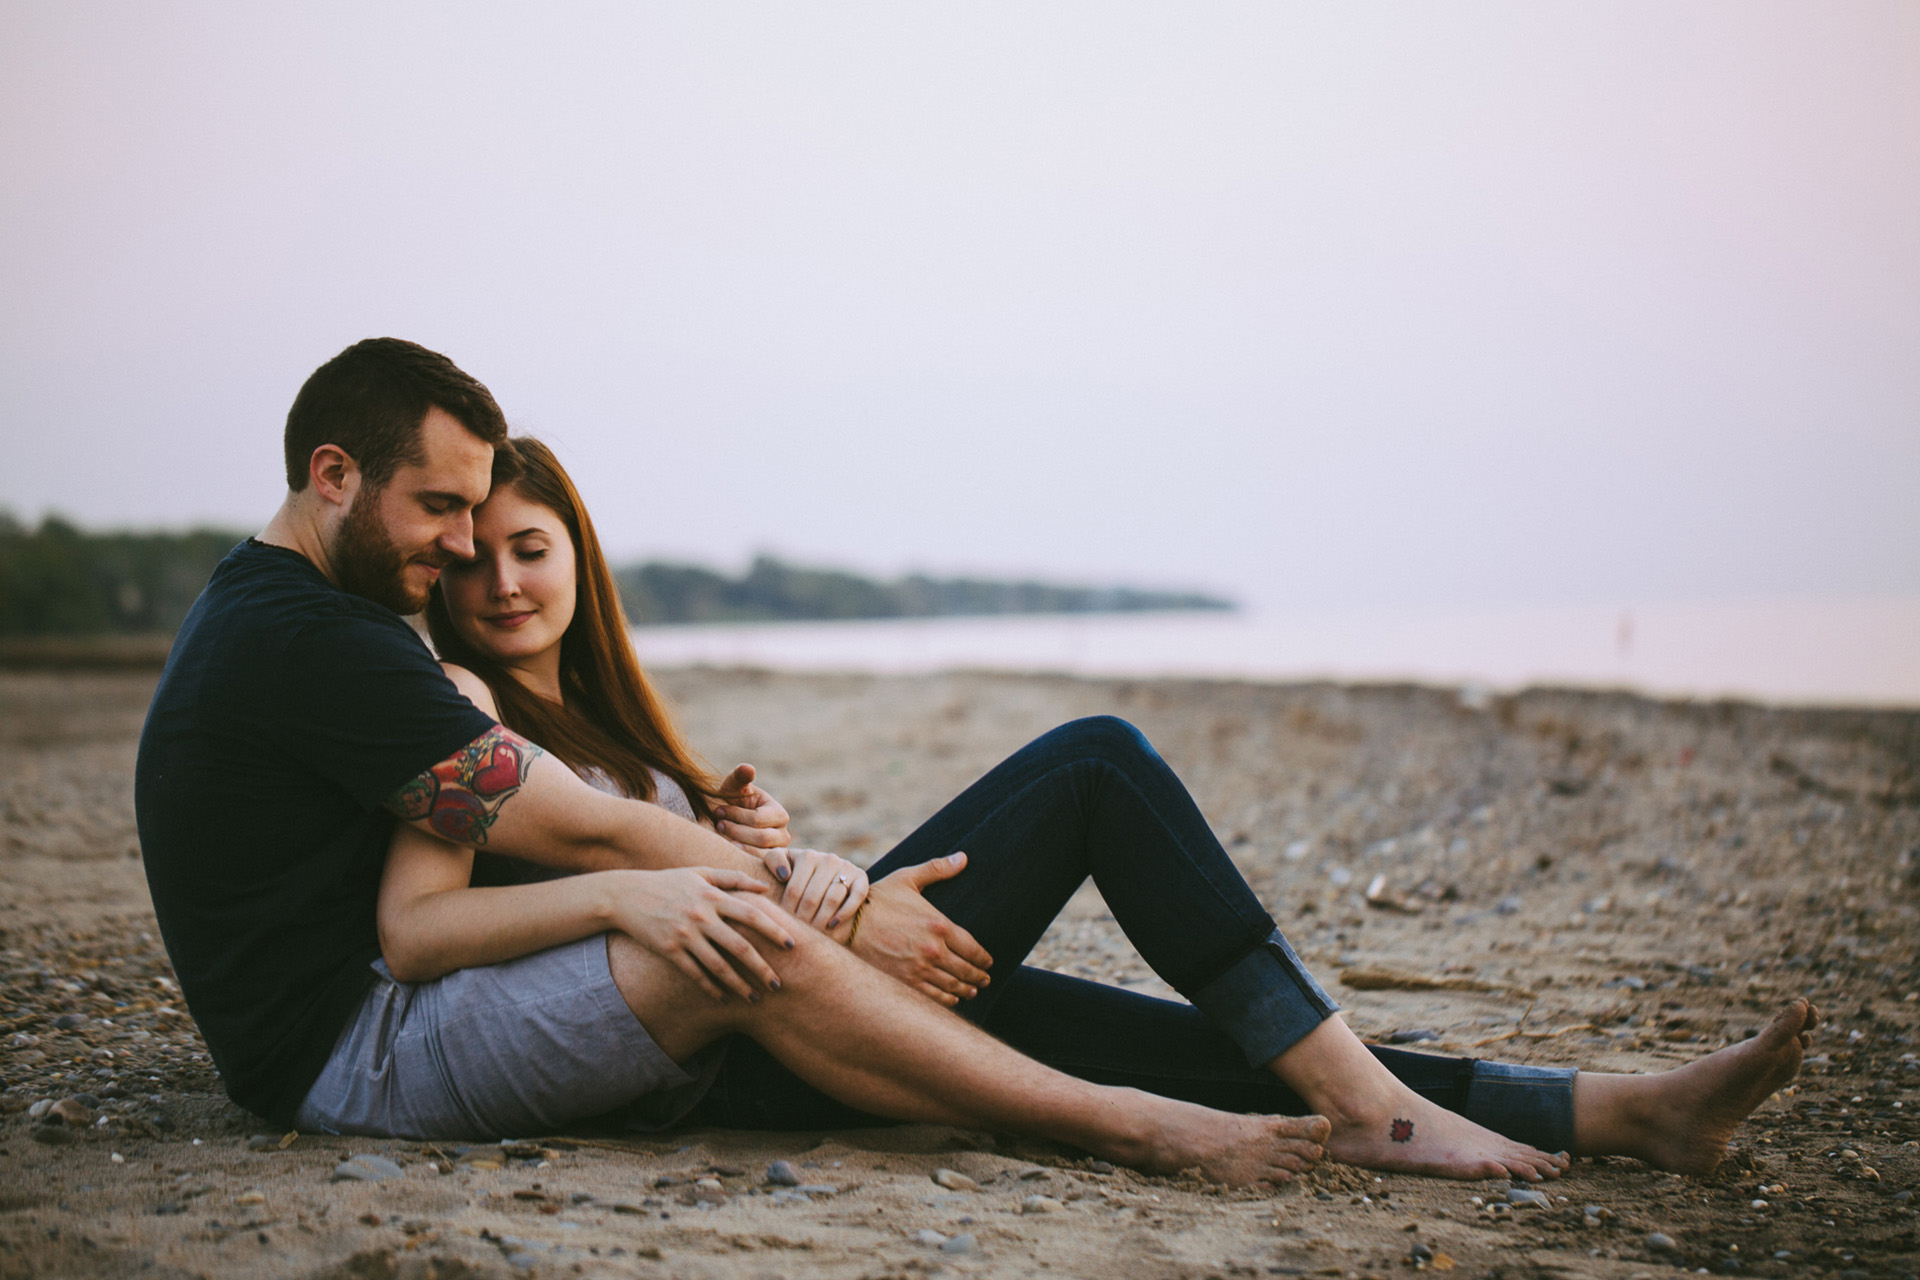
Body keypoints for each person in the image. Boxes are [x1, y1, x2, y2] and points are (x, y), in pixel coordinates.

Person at [364, 431, 1820, 1182]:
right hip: (722, 1048)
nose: (500, 581)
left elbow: (693, 869)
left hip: (768, 990)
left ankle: (1613, 1114)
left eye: (532, 548)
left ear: (580, 562)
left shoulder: (611, 724)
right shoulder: (463, 712)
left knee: (1176, 1043)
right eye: (474, 553)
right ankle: (1400, 1116)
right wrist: (819, 904)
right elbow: (475, 932)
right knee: (1098, 764)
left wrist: (802, 866)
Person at [134, 337, 1323, 1187]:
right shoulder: (318, 640)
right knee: (739, 944)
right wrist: (817, 914)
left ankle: (1380, 1092)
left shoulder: (283, 622)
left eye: (502, 529)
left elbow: (605, 834)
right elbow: (548, 864)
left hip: (379, 1026)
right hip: (360, 1050)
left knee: (1069, 800)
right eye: (442, 511)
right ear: (333, 475)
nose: (465, 553)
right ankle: (1133, 1124)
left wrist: (799, 871)